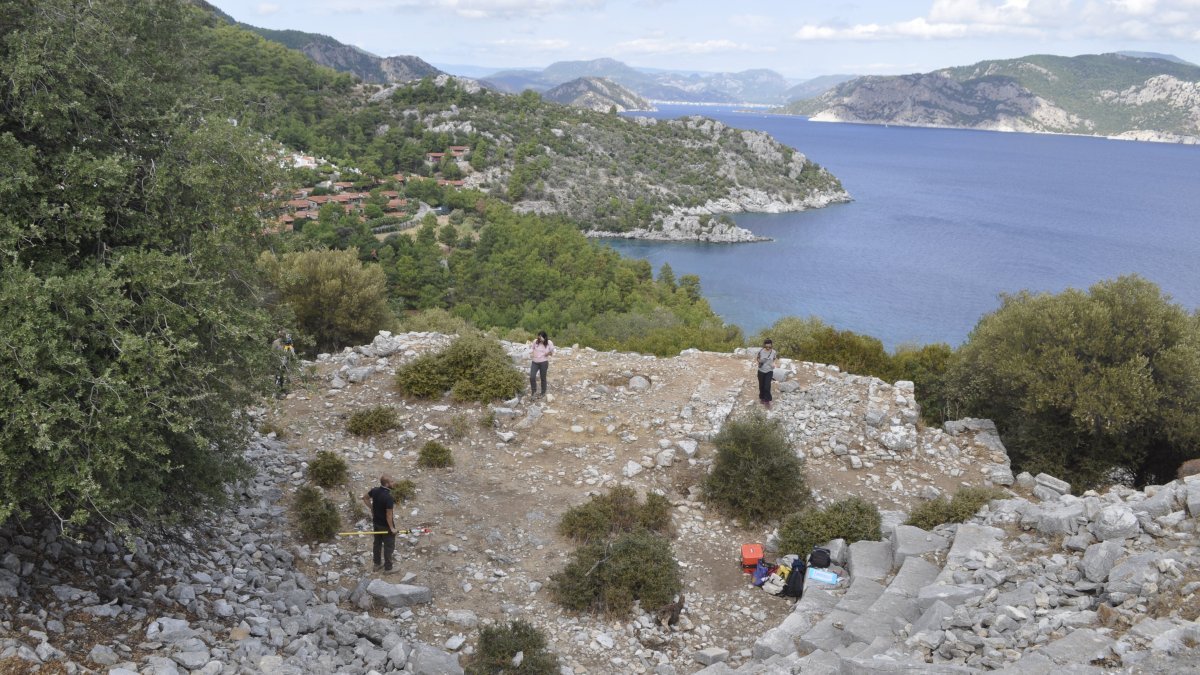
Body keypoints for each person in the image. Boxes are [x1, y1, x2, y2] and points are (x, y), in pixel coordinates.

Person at [361, 475, 397, 573]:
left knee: (377, 544)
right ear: (387, 484)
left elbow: (364, 498)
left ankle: (377, 564)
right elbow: (389, 515)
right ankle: (388, 568)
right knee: (389, 546)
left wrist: (371, 507)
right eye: (392, 481)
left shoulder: (375, 490)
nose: (394, 483)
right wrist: (392, 528)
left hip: (376, 523)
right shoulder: (389, 497)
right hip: (385, 526)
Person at [529, 331, 555, 398]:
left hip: (544, 362)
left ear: (544, 337)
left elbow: (552, 353)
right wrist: (529, 352)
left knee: (543, 378)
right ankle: (533, 391)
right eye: (538, 337)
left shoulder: (549, 343)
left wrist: (548, 353)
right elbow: (532, 348)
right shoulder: (535, 341)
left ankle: (543, 392)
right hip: (535, 362)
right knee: (532, 377)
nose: (539, 339)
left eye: (541, 337)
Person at [755, 338, 778, 409]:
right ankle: (761, 397)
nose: (768, 348)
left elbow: (774, 359)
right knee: (761, 385)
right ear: (764, 345)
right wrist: (760, 361)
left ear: (771, 345)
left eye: (769, 346)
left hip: (769, 371)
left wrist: (773, 364)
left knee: (767, 386)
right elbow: (757, 358)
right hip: (761, 370)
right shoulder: (761, 351)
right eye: (766, 346)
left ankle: (767, 400)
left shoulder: (773, 352)